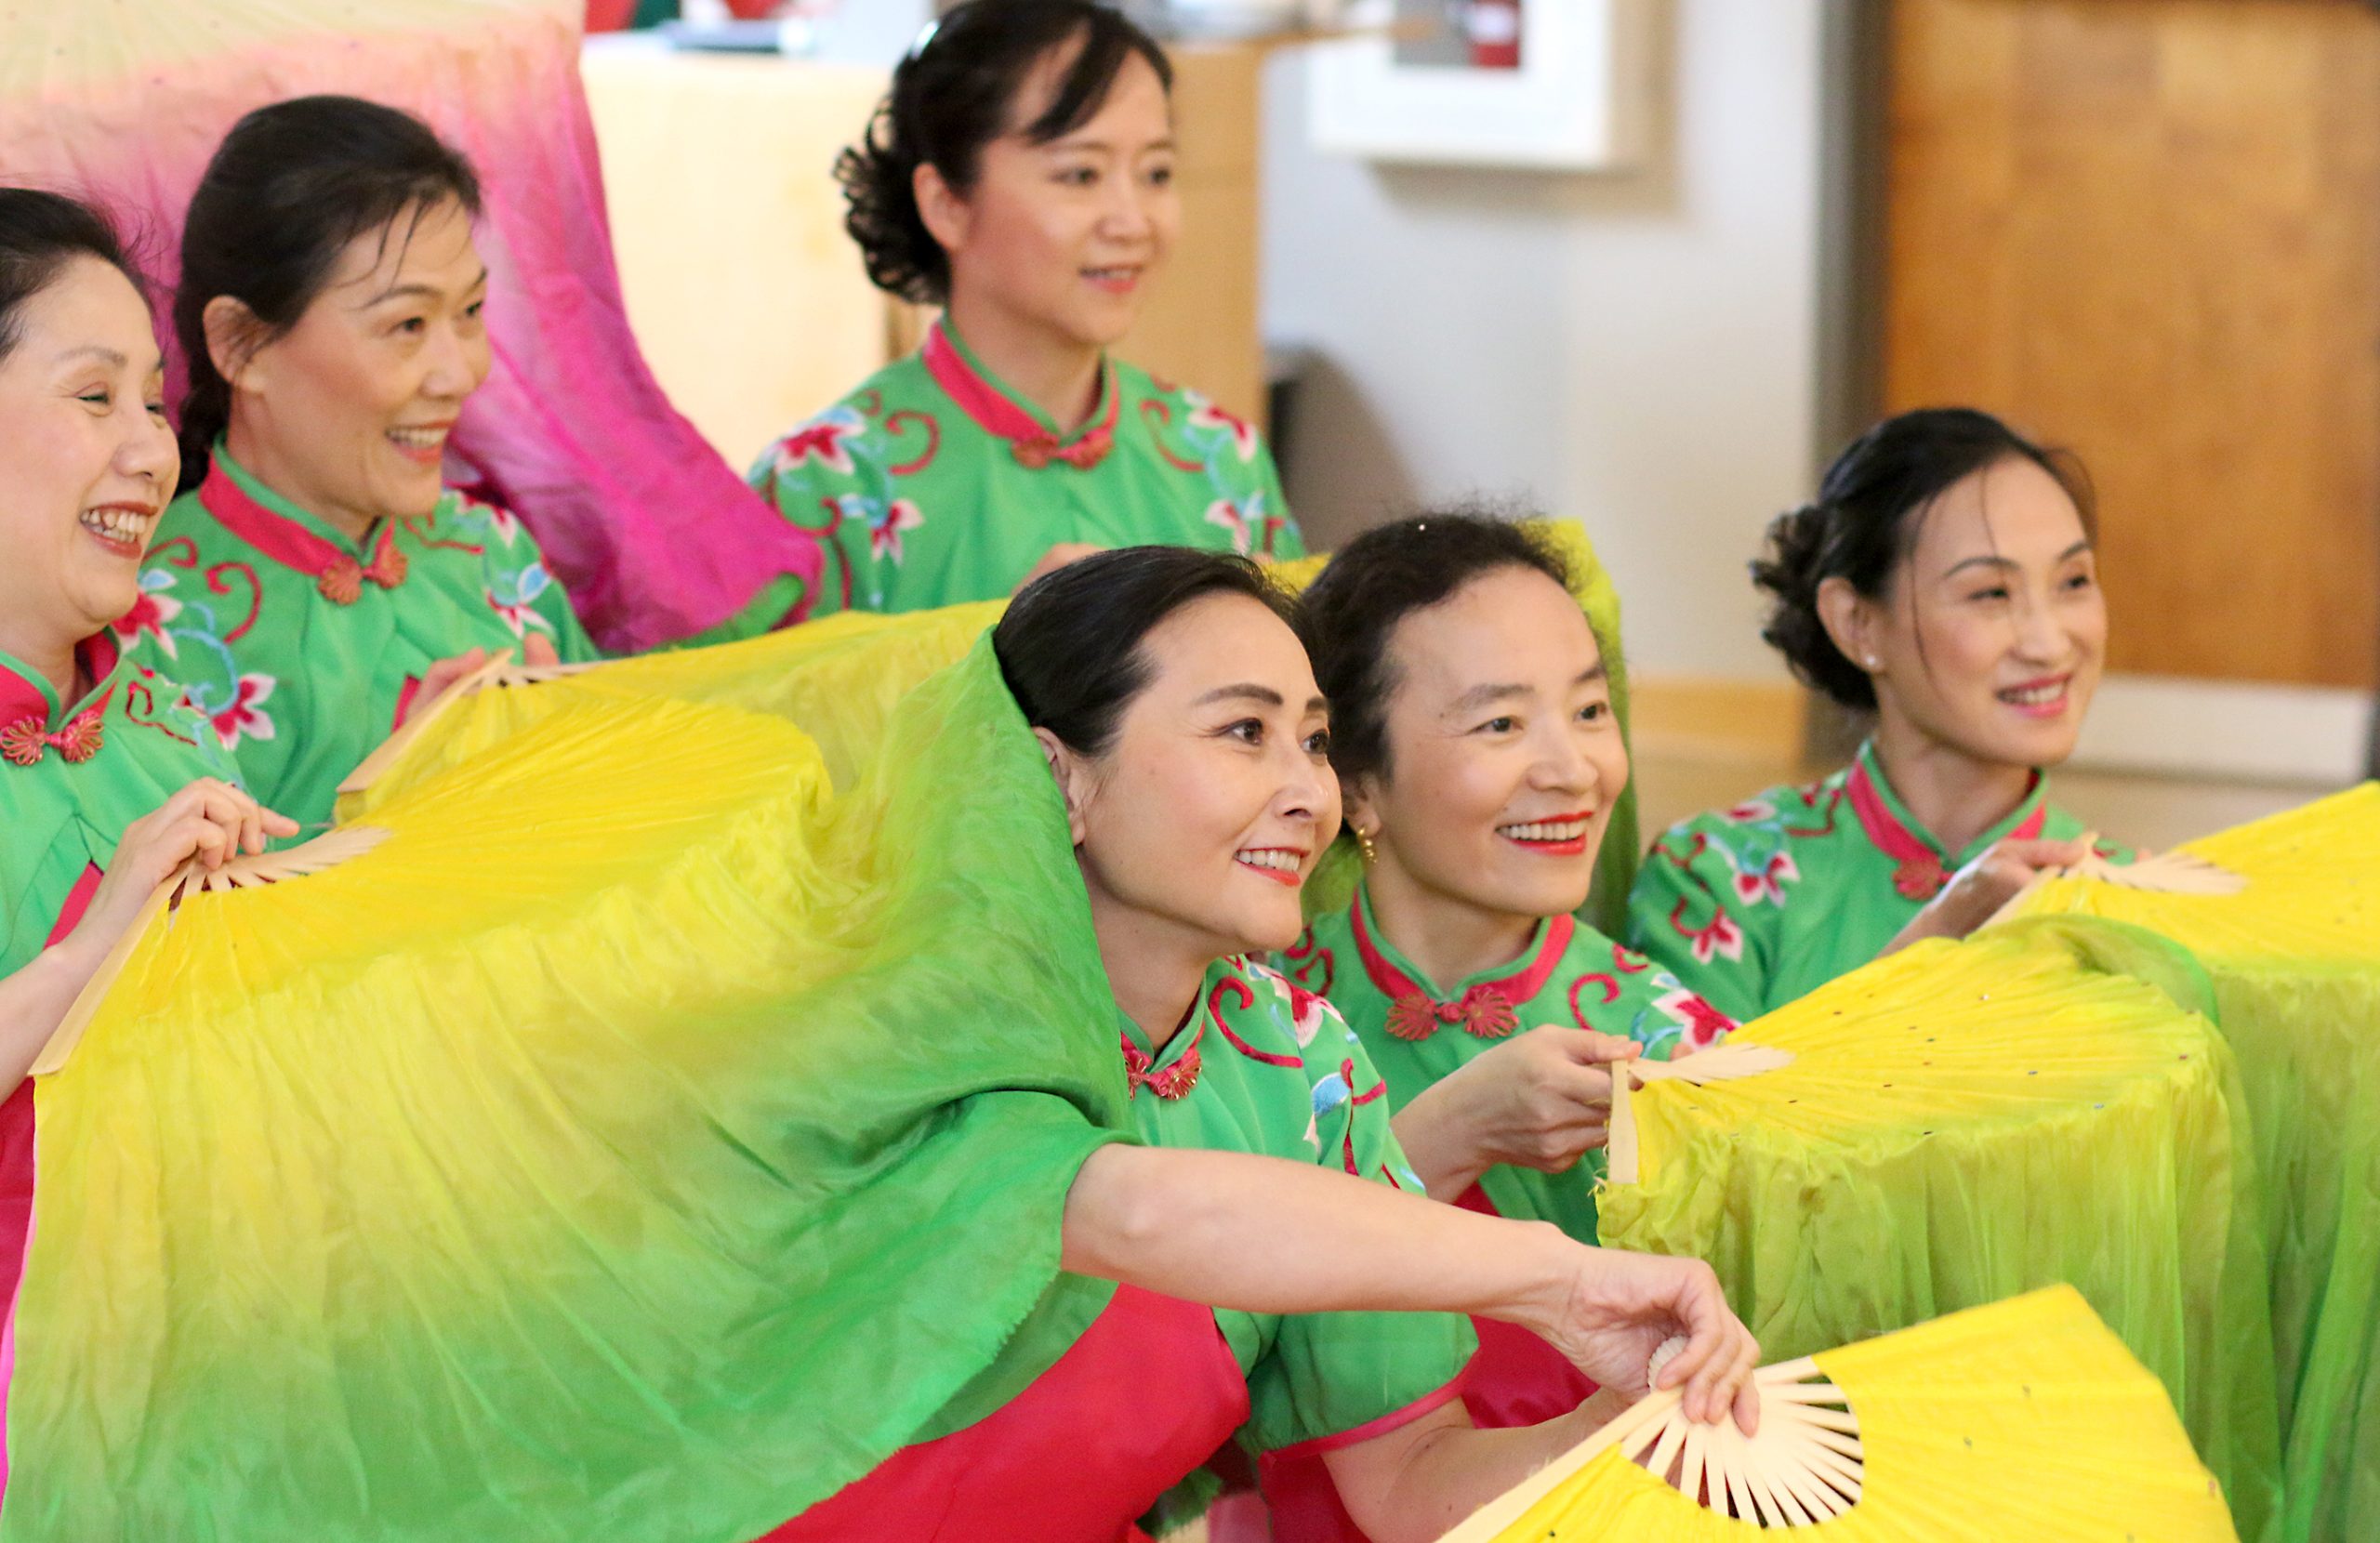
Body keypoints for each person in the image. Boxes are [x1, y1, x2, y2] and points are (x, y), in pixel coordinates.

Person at [767, 547, 1757, 1543]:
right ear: (1056, 774)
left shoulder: (1300, 1057)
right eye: (1244, 731)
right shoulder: (922, 1017)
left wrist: (1609, 1432)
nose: (1307, 792)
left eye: (1316, 740)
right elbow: (1133, 1209)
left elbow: (1408, 1480)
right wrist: (1561, 1278)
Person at [1284, 514, 1733, 1445]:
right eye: (1500, 722)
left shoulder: (1665, 1041)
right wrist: (1453, 1129)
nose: (1573, 770)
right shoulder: (1251, 1015)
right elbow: (1224, 1337)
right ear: (1358, 782)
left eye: (1588, 710)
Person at [0, 187, 293, 1496]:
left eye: (155, 400)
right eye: (92, 397)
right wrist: (88, 953)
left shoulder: (161, 705)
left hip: (210, 1375)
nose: (153, 451)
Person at [733, 0, 1301, 627]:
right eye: (1080, 174)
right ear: (946, 202)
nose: (1133, 221)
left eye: (1156, 173)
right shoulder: (826, 487)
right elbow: (757, 719)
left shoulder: (1220, 459)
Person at [124, 96, 603, 828]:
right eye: (407, 324)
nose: (460, 372)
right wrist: (407, 796)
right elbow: (174, 926)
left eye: (470, 313)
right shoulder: (144, 622)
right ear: (240, 344)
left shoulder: (490, 552)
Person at [1628, 408, 2121, 1022]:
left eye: (2073, 582)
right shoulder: (1715, 879)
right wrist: (1940, 930)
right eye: (1991, 593)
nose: (2049, 643)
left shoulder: (2128, 903)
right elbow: (1700, 1115)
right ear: (1857, 622)